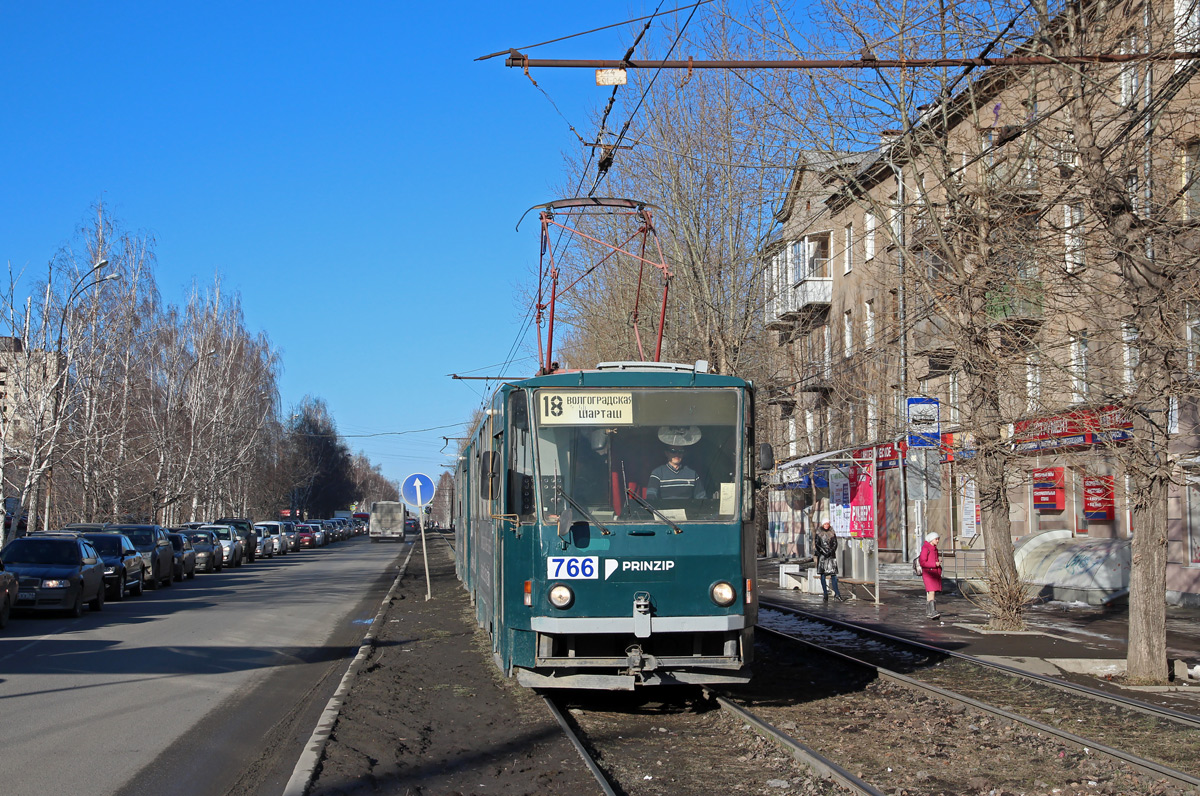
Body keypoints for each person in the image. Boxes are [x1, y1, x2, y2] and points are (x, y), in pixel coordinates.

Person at [814, 520, 844, 601]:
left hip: (831, 556)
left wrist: (831, 551)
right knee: (823, 575)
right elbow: (817, 544)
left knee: (833, 575)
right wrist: (823, 552)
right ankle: (825, 594)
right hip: (822, 557)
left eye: (828, 524)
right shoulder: (818, 533)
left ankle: (837, 594)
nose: (826, 525)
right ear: (823, 524)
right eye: (825, 524)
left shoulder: (832, 532)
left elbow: (835, 543)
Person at [919, 531, 944, 620]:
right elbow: (922, 562)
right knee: (932, 591)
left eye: (938, 539)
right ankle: (932, 611)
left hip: (934, 573)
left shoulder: (934, 549)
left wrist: (938, 567)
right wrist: (934, 564)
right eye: (936, 539)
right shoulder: (926, 548)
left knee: (931, 592)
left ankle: (930, 612)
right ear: (931, 539)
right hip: (928, 573)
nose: (937, 541)